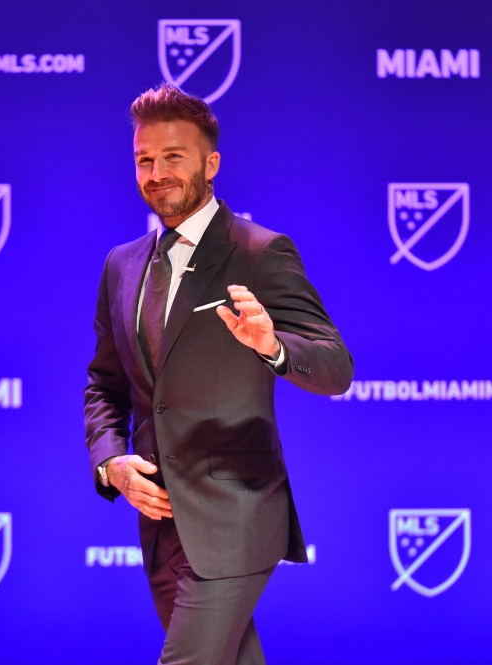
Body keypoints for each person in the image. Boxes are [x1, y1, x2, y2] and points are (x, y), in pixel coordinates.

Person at [84, 83, 353, 665]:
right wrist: (112, 463)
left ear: (211, 164)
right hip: (161, 526)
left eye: (172, 157)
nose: (156, 173)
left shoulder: (259, 251)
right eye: (144, 160)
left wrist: (272, 346)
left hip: (237, 514)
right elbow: (105, 384)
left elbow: (336, 367)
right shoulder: (121, 264)